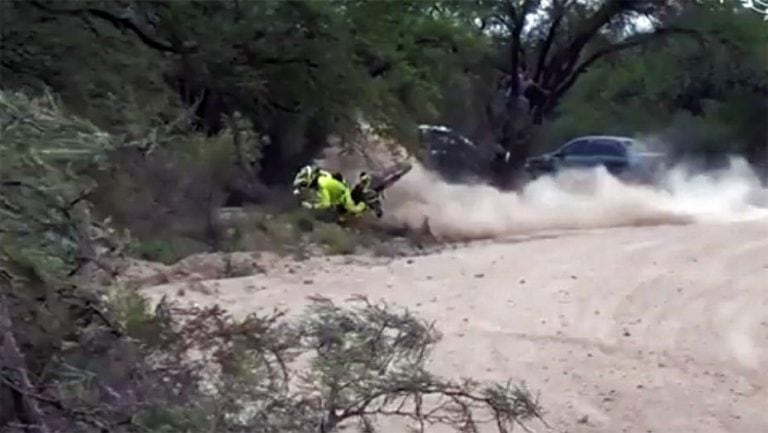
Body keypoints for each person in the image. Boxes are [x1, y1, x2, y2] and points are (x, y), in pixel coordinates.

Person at [292, 165, 378, 218]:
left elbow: (326, 204)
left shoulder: (322, 186)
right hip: (341, 186)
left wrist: (312, 206)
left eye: (304, 184)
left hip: (343, 195)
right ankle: (362, 184)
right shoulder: (322, 176)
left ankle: (367, 203)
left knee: (353, 209)